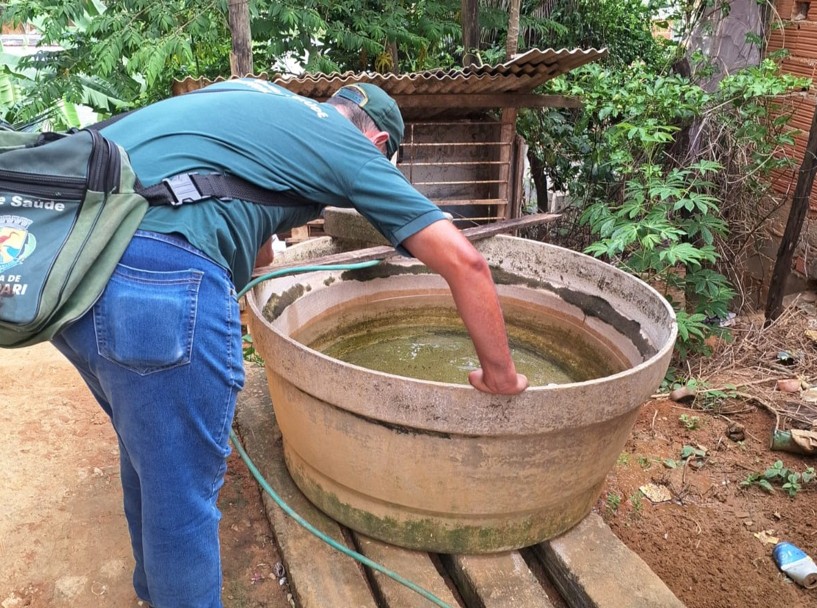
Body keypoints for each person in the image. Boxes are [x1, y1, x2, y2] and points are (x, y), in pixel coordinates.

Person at [50, 78, 527, 607]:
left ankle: (152, 592)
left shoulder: (259, 101)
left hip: (68, 268)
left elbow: (254, 252)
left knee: (151, 453)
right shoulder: (347, 145)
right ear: (379, 145)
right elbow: (466, 262)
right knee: (182, 500)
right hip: (157, 281)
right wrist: (501, 377)